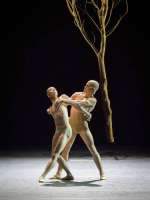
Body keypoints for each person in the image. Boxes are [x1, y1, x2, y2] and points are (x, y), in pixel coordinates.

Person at [53, 80, 106, 180]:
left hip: (83, 128)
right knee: (65, 150)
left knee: (92, 149)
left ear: (92, 89)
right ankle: (59, 173)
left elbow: (78, 105)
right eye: (86, 85)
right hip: (71, 127)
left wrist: (66, 100)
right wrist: (62, 98)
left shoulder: (92, 100)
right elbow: (68, 102)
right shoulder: (77, 94)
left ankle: (102, 173)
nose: (85, 87)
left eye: (87, 86)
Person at [38, 87, 91, 182]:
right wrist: (50, 111)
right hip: (57, 131)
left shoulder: (62, 99)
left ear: (57, 92)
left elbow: (76, 105)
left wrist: (86, 112)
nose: (52, 90)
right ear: (47, 95)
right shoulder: (52, 107)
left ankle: (43, 175)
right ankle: (69, 174)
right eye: (49, 90)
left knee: (55, 155)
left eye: (54, 89)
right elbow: (53, 112)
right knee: (55, 155)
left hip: (66, 130)